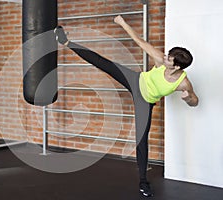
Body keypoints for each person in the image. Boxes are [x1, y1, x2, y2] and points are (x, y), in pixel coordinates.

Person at [54, 15, 199, 197]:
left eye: (170, 59)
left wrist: (187, 99)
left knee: (141, 140)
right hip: (135, 80)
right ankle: (66, 42)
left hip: (145, 101)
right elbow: (139, 41)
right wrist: (123, 23)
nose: (165, 57)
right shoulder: (161, 60)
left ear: (177, 67)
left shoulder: (183, 83)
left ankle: (143, 181)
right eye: (168, 54)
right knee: (102, 62)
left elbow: (195, 101)